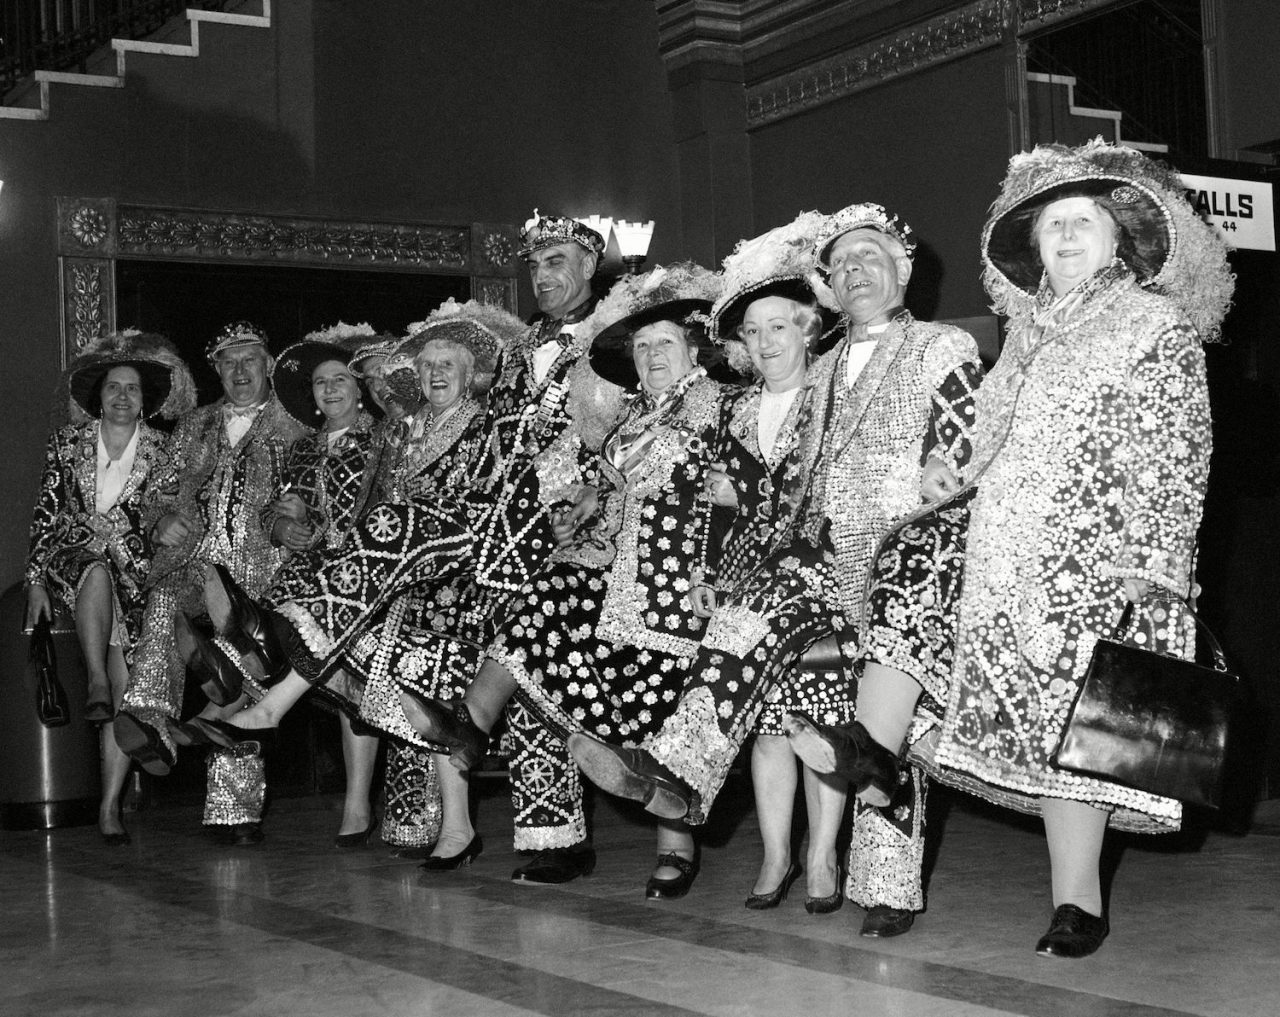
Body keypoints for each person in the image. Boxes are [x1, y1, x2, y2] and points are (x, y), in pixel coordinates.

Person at [787, 140, 1231, 958]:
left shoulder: (1153, 322)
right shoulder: (1023, 331)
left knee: (1078, 737)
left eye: (1081, 222)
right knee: (911, 563)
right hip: (1002, 550)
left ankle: (1077, 902)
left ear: (1116, 235)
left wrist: (1154, 562)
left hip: (1094, 560)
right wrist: (942, 469)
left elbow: (1179, 450)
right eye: (1052, 225)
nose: (1063, 238)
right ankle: (873, 748)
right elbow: (983, 435)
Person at [569, 204, 983, 936]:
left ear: (904, 269)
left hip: (906, 559)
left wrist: (943, 466)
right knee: (744, 621)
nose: (856, 273)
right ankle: (679, 766)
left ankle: (886, 886)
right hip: (822, 558)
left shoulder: (941, 345)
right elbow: (791, 485)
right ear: (827, 285)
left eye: (871, 257)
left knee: (893, 727)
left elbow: (960, 437)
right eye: (843, 263)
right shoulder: (818, 373)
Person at [399, 264, 729, 897]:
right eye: (640, 346)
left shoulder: (717, 404)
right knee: (540, 601)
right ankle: (471, 722)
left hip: (676, 574)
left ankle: (676, 841)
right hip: (611, 567)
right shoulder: (630, 416)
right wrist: (589, 491)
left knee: (655, 691)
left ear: (692, 348)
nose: (652, 355)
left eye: (664, 343)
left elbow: (733, 483)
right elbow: (605, 478)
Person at [688, 233, 850, 913]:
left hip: (820, 573)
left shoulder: (835, 394)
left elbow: (823, 493)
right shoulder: (735, 409)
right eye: (751, 332)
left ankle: (821, 854)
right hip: (750, 582)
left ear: (808, 328)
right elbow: (717, 510)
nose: (763, 341)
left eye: (777, 326)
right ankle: (777, 852)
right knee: (768, 724)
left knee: (818, 717)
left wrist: (741, 498)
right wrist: (705, 573)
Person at [112, 321, 308, 847]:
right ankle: (151, 721)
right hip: (193, 563)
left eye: (249, 359)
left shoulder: (296, 426)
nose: (239, 371)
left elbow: (312, 496)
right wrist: (159, 522)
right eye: (228, 361)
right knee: (162, 604)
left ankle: (233, 811)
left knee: (237, 669)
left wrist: (296, 519)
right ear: (215, 370)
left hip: (259, 571)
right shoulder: (194, 425)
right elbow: (158, 492)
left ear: (268, 365)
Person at [25, 330, 195, 844]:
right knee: (94, 567)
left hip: (135, 572)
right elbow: (45, 515)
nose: (122, 397)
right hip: (72, 558)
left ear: (145, 403)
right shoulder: (65, 443)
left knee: (128, 695)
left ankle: (108, 808)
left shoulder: (165, 451)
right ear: (97, 397)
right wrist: (34, 580)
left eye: (133, 390)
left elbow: (164, 514)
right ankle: (95, 678)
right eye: (114, 388)